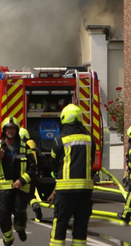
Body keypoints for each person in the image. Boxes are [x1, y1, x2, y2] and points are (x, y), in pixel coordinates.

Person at [50, 104, 95, 246]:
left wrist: (55, 175)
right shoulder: (90, 139)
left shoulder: (59, 140)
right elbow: (91, 160)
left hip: (65, 191)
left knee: (60, 222)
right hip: (85, 190)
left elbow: (54, 164)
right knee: (81, 224)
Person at [0, 117, 36, 246]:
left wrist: (22, 180)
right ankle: (8, 238)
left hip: (20, 188)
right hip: (3, 189)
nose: (10, 131)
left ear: (16, 130)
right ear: (4, 130)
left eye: (13, 129)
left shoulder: (24, 147)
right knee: (4, 216)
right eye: (8, 129)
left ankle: (20, 228)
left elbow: (33, 168)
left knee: (20, 214)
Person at [19, 127, 43, 222]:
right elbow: (41, 158)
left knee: (20, 196)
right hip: (34, 175)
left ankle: (21, 215)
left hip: (22, 176)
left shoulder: (20, 147)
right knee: (31, 195)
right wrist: (40, 172)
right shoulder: (33, 145)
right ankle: (35, 205)